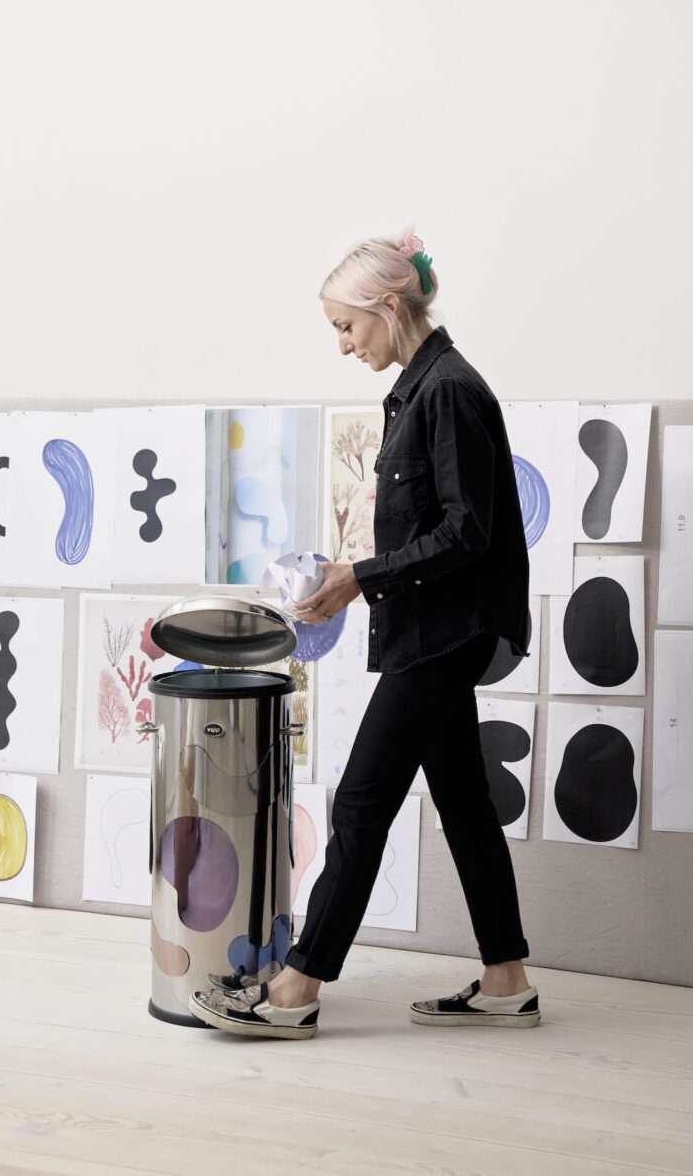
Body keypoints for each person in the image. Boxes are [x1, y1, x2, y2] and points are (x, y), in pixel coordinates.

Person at [188, 230, 540, 1040]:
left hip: (447, 633)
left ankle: (296, 990)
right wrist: (352, 577)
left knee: (360, 802)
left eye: (347, 327)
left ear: (387, 307)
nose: (344, 345)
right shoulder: (421, 391)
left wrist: (360, 576)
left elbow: (468, 533)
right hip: (436, 628)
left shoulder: (447, 390)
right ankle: (506, 977)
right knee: (464, 803)